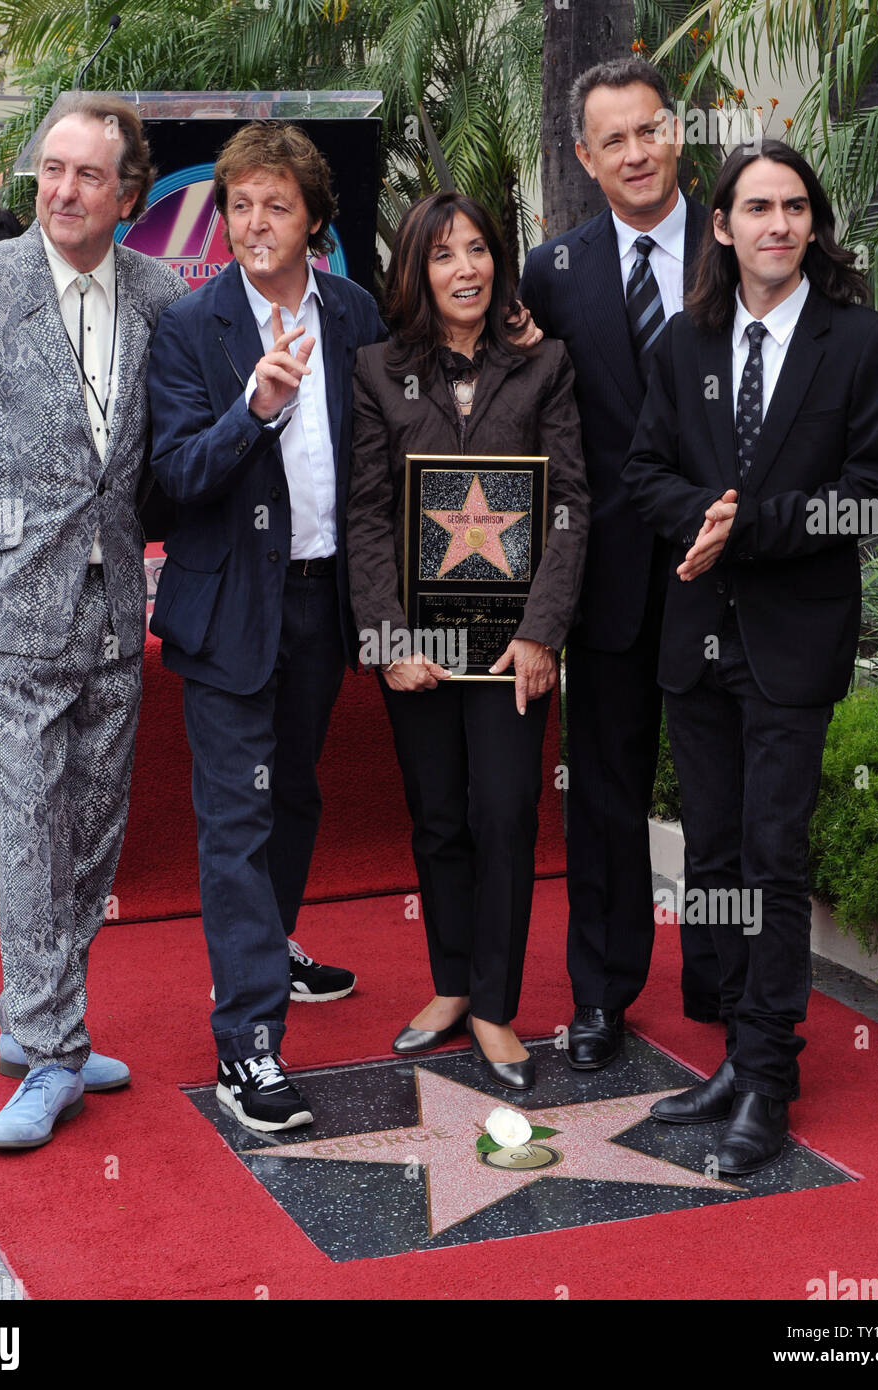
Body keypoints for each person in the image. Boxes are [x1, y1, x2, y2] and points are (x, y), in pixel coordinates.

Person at [0, 92, 188, 1149]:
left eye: (88, 175)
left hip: (116, 605)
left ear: (130, 195)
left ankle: (43, 1019)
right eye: (50, 170)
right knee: (33, 823)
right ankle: (49, 1046)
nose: (63, 190)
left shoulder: (161, 293)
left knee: (95, 826)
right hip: (7, 611)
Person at [621, 140, 878, 1174]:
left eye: (795, 207)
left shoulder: (861, 343)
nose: (778, 224)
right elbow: (642, 470)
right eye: (757, 206)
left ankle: (770, 1079)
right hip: (695, 642)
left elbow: (877, 492)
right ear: (722, 225)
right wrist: (699, 515)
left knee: (772, 860)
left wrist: (751, 525)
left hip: (793, 641)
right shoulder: (683, 346)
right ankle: (738, 1058)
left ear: (812, 225)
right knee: (713, 863)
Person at [146, 122, 387, 1133]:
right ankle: (248, 1038)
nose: (252, 221)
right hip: (228, 606)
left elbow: (384, 449)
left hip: (321, 598)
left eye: (274, 204)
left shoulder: (354, 310)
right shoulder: (190, 325)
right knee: (236, 820)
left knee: (293, 794)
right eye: (239, 203)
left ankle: (270, 943)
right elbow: (174, 478)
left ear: (315, 221)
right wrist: (253, 407)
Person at [347, 192, 590, 1091]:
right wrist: (386, 637)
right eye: (445, 254)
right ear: (417, 269)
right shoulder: (376, 370)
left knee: (505, 814)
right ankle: (450, 984)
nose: (466, 269)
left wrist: (542, 633)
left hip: (510, 648)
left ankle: (494, 1005)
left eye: (479, 250)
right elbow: (367, 515)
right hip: (416, 645)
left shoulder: (544, 365)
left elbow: (571, 503)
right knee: (440, 816)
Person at [518, 57, 722, 1072]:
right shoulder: (550, 273)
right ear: (584, 156)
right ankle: (600, 992)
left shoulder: (738, 247)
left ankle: (728, 981)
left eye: (651, 131)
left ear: (674, 133)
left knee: (725, 786)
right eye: (615, 140)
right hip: (601, 585)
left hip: (725, 571)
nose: (636, 153)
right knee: (602, 795)